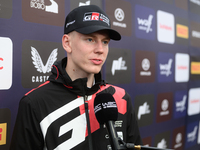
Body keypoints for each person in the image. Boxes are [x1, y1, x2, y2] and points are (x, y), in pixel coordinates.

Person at [10, 5, 142, 150]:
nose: (100, 49)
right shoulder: (34, 103)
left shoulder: (121, 98)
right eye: (90, 39)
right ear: (67, 43)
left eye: (105, 42)